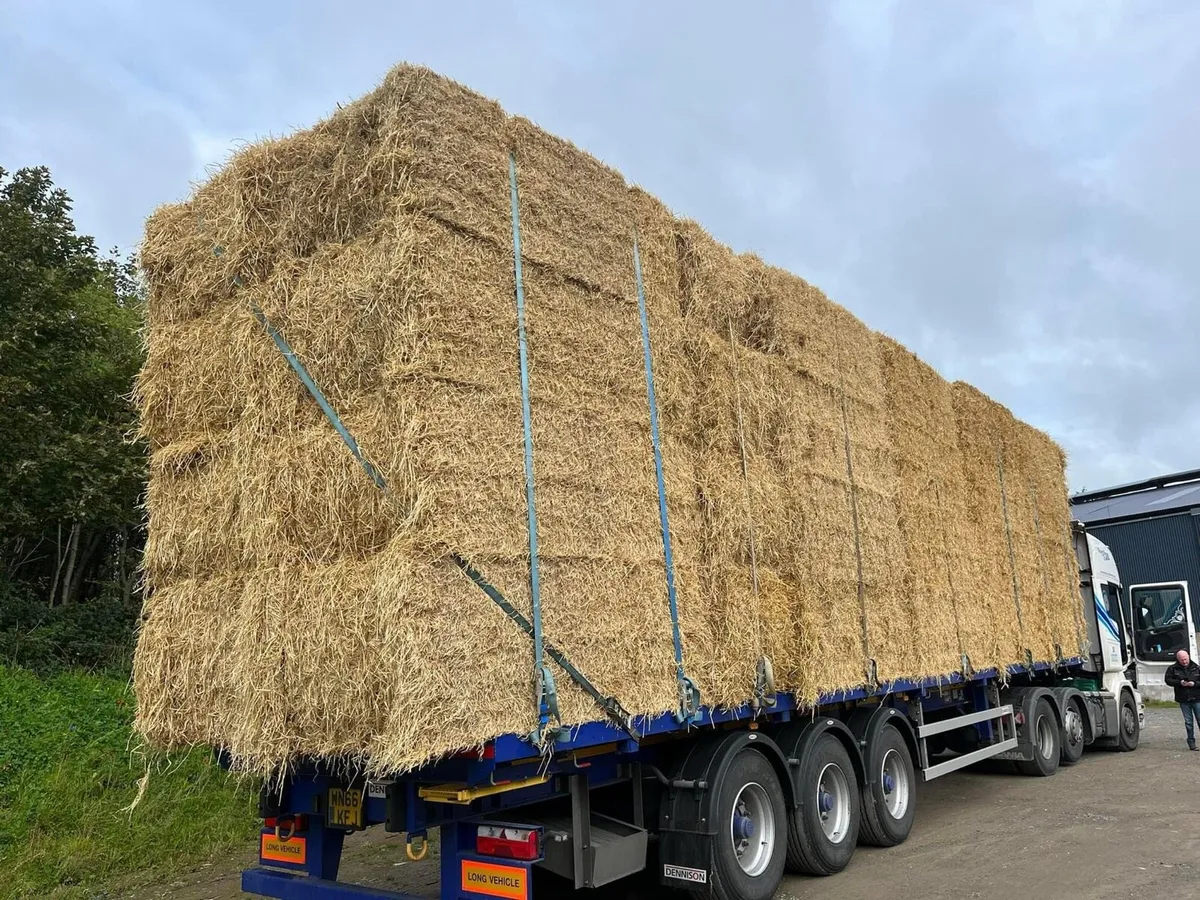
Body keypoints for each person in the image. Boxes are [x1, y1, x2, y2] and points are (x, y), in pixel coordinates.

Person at [1164, 649, 1200, 751]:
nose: (1184, 662)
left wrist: (1194, 684)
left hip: (1197, 698)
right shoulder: (1172, 669)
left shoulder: (1197, 667)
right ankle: (1191, 743)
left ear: (1188, 657)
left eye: (1185, 659)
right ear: (1178, 659)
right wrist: (1179, 682)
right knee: (1188, 722)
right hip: (1184, 699)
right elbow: (1168, 680)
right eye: (1182, 660)